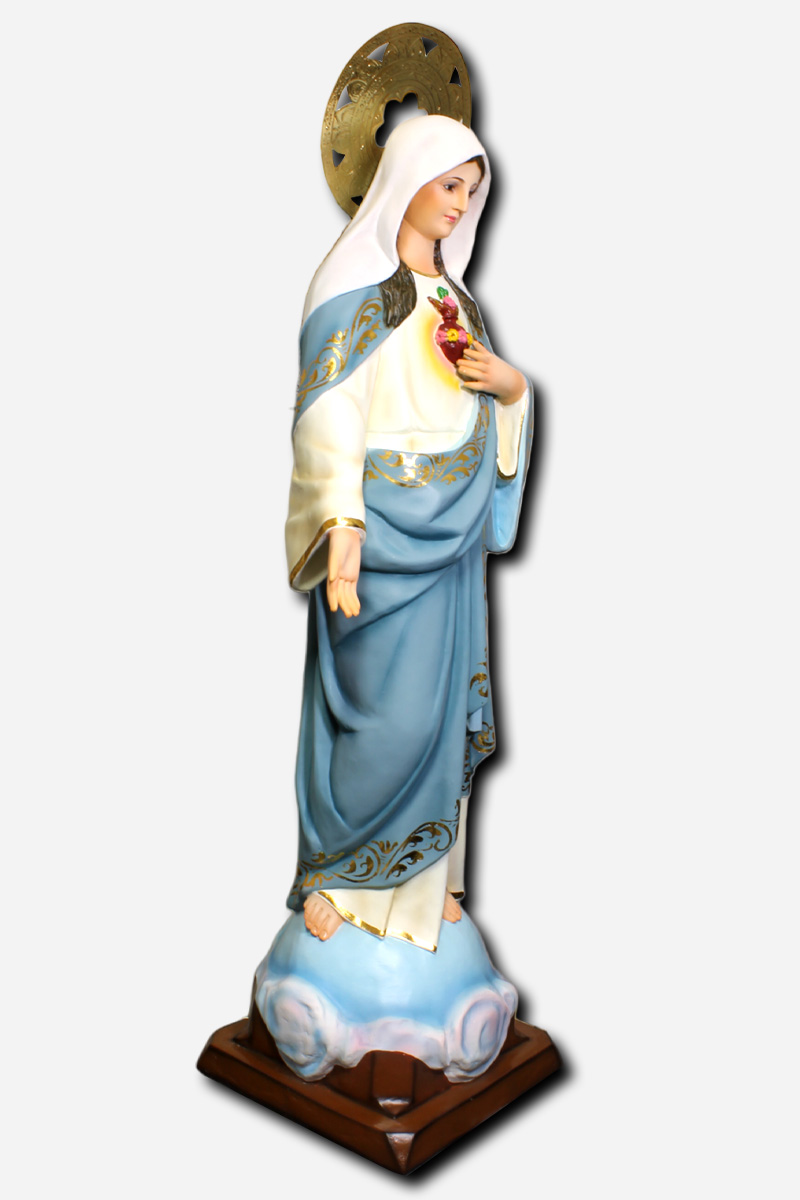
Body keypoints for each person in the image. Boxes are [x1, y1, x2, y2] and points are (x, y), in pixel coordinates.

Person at [285, 115, 533, 952]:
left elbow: (480, 403)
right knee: (377, 718)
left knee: (436, 715)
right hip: (377, 537)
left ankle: (425, 884)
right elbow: (328, 412)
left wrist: (512, 389)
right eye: (449, 183)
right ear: (406, 177)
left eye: (473, 188)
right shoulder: (353, 290)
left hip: (449, 540)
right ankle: (339, 876)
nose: (461, 203)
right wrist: (341, 525)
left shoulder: (459, 301)